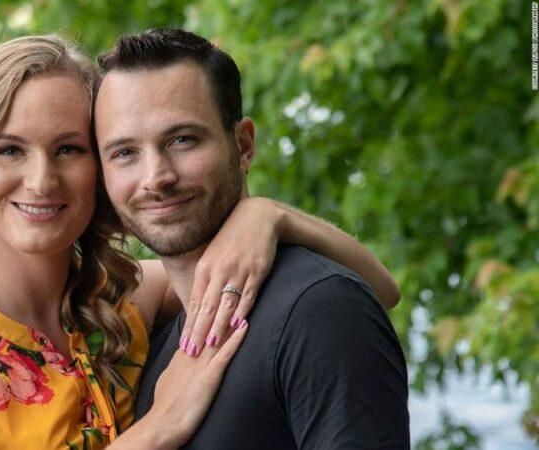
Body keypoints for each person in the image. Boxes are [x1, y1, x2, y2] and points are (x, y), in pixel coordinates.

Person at [0, 34, 401, 450]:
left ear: (99, 168)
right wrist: (157, 428)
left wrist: (267, 215)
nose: (41, 180)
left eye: (69, 149)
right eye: (9, 150)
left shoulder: (121, 302)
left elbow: (378, 290)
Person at [95, 28, 411, 448]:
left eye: (183, 140)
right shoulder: (149, 340)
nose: (156, 177)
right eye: (124, 153)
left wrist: (272, 213)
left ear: (243, 145)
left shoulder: (321, 309)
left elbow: (385, 290)